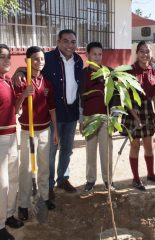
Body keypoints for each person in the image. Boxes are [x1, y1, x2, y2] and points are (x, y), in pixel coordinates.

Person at [14, 29, 83, 200]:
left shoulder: (78, 61)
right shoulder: (49, 59)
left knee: (67, 150)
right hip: (54, 113)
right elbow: (33, 65)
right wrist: (20, 71)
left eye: (73, 42)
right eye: (65, 41)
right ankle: (49, 186)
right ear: (58, 42)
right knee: (50, 151)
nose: (69, 45)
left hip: (71, 113)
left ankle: (63, 179)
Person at [15, 46, 58, 221]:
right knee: (26, 169)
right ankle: (23, 204)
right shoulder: (21, 80)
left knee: (44, 167)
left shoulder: (46, 82)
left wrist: (55, 132)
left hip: (44, 130)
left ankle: (44, 198)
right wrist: (24, 94)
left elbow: (52, 108)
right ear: (27, 60)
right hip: (28, 132)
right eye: (35, 59)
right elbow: (15, 109)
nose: (39, 62)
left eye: (42, 59)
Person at [121, 41, 155, 191]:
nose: (145, 54)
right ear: (137, 53)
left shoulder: (154, 71)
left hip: (147, 111)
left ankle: (150, 174)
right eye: (142, 51)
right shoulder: (129, 71)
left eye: (147, 51)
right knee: (135, 145)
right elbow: (125, 96)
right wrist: (135, 117)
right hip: (133, 111)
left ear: (151, 54)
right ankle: (136, 179)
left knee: (149, 146)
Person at [80, 42, 115, 192]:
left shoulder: (109, 72)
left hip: (105, 118)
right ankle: (90, 180)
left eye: (100, 54)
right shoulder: (83, 73)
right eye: (94, 54)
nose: (97, 57)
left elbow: (115, 96)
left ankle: (108, 180)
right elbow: (80, 96)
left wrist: (114, 117)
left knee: (107, 151)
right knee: (91, 150)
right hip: (89, 118)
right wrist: (81, 120)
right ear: (87, 55)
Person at [0, 44, 25, 240]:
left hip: (11, 135)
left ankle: (9, 215)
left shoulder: (7, 80)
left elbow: (15, 110)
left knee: (14, 179)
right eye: (2, 57)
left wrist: (24, 96)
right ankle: (0, 225)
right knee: (3, 184)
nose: (7, 60)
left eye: (9, 56)